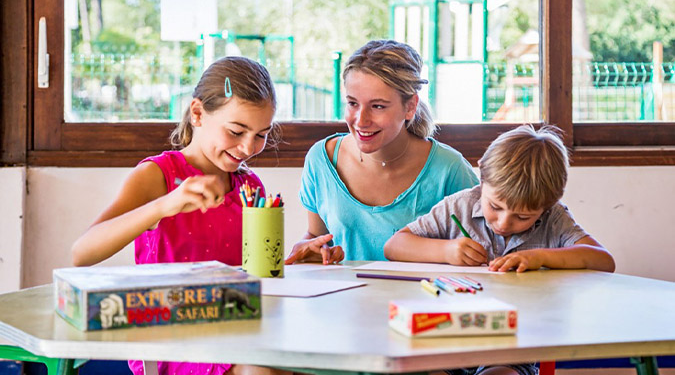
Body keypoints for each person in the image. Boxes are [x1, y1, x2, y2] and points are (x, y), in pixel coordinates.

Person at [71, 56, 283, 375]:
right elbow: (81, 253)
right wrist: (163, 206)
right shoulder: (158, 175)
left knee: (303, 362)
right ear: (197, 113)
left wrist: (290, 258)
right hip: (169, 336)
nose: (247, 147)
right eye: (236, 131)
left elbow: (255, 271)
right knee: (260, 369)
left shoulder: (249, 185)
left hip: (237, 329)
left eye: (261, 135)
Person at [384, 124, 616, 375]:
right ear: (483, 176)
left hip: (512, 349)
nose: (504, 223)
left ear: (548, 205)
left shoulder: (554, 218)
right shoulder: (459, 206)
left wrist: (540, 257)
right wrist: (447, 251)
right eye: (495, 206)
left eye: (523, 217)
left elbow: (603, 260)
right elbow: (394, 246)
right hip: (445, 341)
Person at [285, 39, 478, 265]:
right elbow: (318, 238)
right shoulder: (321, 159)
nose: (361, 120)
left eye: (378, 106)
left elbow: (488, 244)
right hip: (344, 298)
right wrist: (307, 250)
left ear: (410, 107)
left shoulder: (450, 170)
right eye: (352, 103)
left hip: (422, 297)